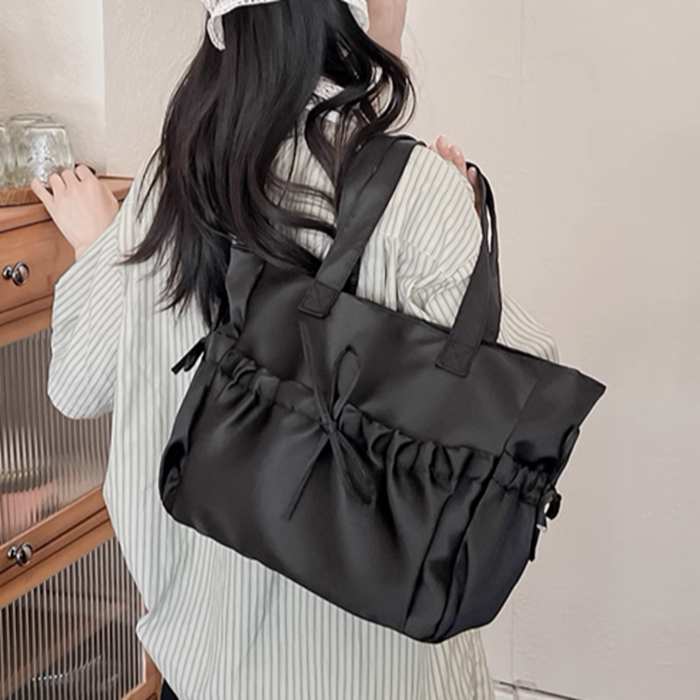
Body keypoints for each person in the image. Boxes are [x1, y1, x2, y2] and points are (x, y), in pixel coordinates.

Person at [32, 0, 557, 698]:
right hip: (380, 676)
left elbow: (77, 384)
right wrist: (463, 230)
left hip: (206, 668)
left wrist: (97, 247)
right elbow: (513, 412)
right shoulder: (418, 191)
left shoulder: (172, 179)